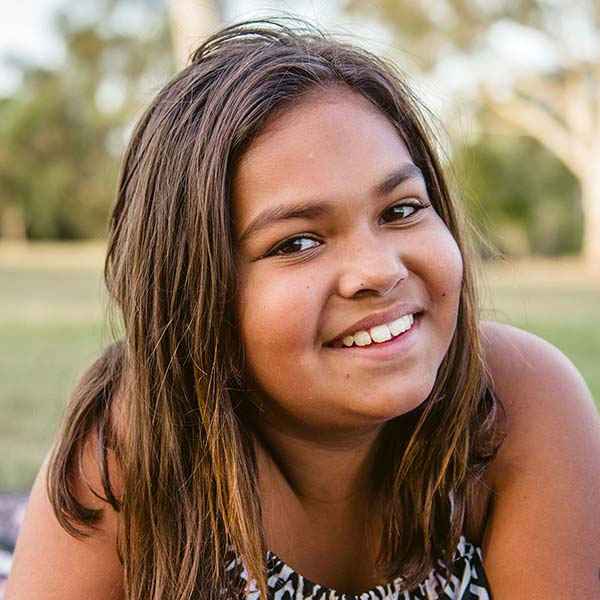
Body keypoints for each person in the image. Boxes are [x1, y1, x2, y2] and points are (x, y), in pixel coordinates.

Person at [6, 19, 600, 600]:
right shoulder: (140, 449)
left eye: (400, 209)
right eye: (297, 243)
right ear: (195, 296)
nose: (380, 270)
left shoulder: (515, 399)